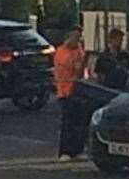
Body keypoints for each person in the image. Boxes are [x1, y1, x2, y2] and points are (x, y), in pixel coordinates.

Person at [53, 26, 86, 161]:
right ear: (69, 37)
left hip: (78, 90)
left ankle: (77, 150)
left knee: (79, 121)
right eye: (75, 37)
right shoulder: (61, 52)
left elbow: (82, 69)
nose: (77, 40)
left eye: (79, 37)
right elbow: (70, 68)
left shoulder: (78, 51)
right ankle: (65, 151)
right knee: (68, 123)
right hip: (65, 90)